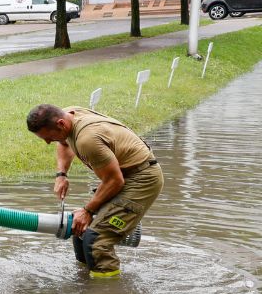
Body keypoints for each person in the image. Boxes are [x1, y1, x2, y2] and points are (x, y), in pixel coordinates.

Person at [25, 104, 163, 278]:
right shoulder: (70, 115)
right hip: (121, 176)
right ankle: (86, 278)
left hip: (142, 179)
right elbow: (64, 142)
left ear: (61, 123)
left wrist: (88, 210)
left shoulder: (87, 140)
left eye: (49, 137)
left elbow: (114, 181)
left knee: (97, 238)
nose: (47, 142)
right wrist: (61, 175)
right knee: (80, 229)